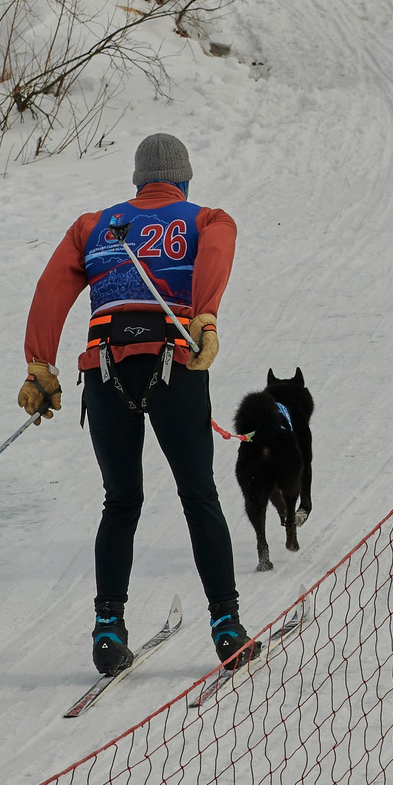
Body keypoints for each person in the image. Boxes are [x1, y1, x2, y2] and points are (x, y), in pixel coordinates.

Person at [19, 133, 256, 675]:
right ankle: (227, 627)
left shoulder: (91, 227)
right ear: (184, 180)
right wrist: (205, 316)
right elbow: (217, 252)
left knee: (121, 502)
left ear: (137, 181)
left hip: (105, 370)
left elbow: (50, 291)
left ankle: (108, 630)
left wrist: (40, 366)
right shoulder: (207, 219)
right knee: (199, 495)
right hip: (173, 365)